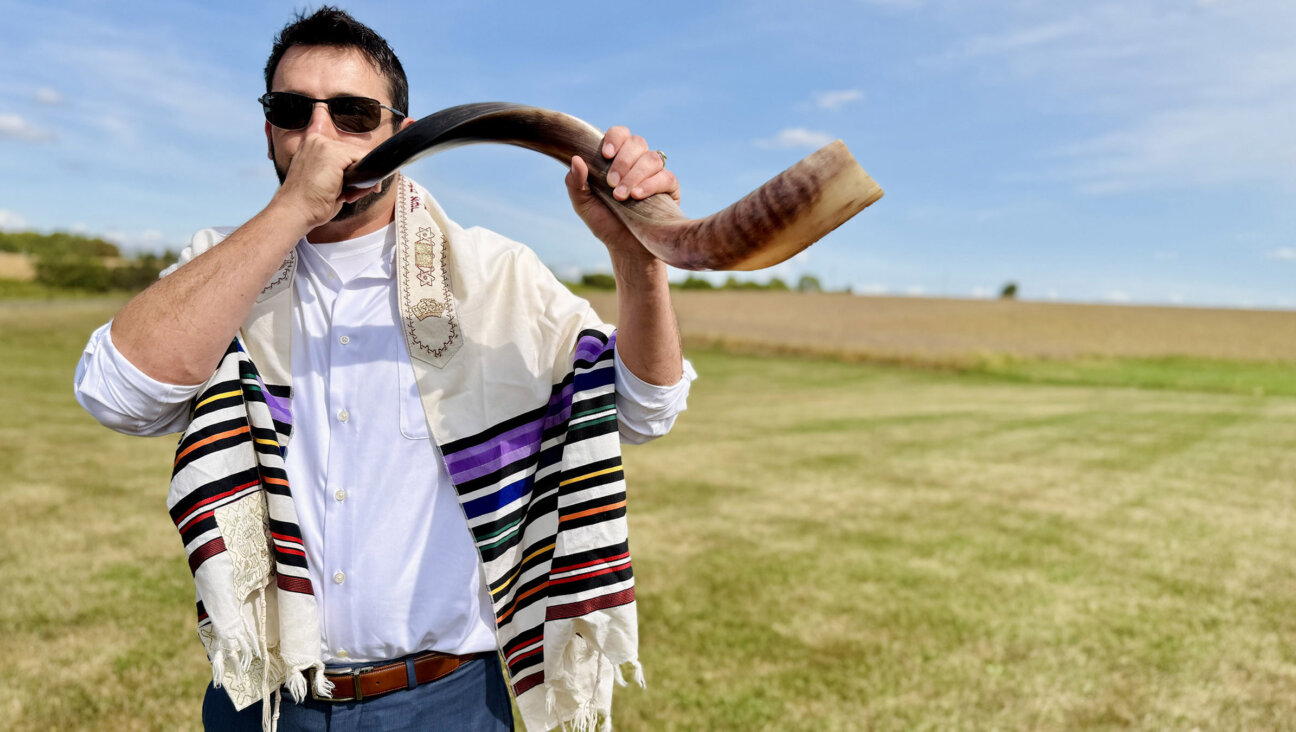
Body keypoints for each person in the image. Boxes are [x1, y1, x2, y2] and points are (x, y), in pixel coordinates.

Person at [73, 7, 694, 731]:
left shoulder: (498, 278)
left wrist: (637, 260)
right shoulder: (223, 270)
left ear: (401, 136)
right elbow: (117, 394)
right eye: (291, 111)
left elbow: (646, 409)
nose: (320, 135)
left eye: (353, 113)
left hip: (448, 701)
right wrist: (292, 210)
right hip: (269, 698)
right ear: (268, 129)